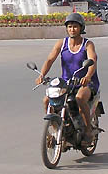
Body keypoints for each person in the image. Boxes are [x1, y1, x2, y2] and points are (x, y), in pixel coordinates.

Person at [35, 12, 100, 146]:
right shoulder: (62, 43)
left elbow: (92, 61)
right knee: (47, 100)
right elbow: (50, 59)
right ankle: (55, 130)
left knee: (80, 98)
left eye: (75, 26)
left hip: (85, 82)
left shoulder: (87, 44)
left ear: (81, 28)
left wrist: (87, 77)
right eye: (69, 26)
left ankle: (88, 130)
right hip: (66, 82)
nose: (72, 29)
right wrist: (42, 75)